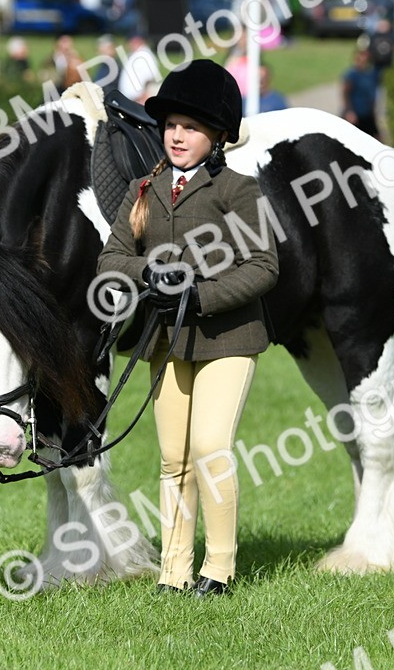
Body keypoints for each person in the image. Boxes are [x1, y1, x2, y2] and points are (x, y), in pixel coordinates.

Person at [97, 59, 278, 597]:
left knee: (209, 446)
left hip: (229, 338)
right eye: (172, 124)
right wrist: (149, 271)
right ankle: (174, 572)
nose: (178, 135)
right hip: (166, 340)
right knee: (173, 457)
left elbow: (264, 266)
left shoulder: (240, 190)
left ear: (219, 137)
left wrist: (199, 293)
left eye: (193, 127)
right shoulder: (142, 188)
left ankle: (218, 568)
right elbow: (111, 259)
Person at [341, 47, 380, 139]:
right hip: (355, 113)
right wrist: (349, 111)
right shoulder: (351, 74)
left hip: (367, 114)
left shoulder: (371, 74)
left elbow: (371, 95)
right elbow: (346, 93)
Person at [119, 32, 159, 102]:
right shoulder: (134, 54)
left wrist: (144, 96)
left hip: (139, 100)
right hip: (130, 99)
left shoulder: (145, 55)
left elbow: (150, 78)